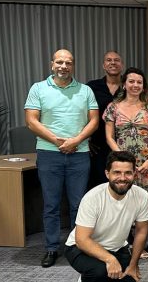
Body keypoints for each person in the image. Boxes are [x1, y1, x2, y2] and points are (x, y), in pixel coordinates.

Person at [25, 48, 98, 268]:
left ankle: (78, 246)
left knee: (79, 204)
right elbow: (31, 121)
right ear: (52, 64)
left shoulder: (85, 90)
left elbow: (94, 120)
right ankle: (51, 248)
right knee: (51, 204)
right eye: (59, 62)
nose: (63, 66)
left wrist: (75, 141)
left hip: (79, 154)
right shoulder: (38, 88)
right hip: (49, 154)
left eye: (68, 63)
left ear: (73, 66)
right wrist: (58, 141)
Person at [64, 151, 148, 282]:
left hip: (117, 249)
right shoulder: (93, 198)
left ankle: (93, 278)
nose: (122, 178)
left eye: (128, 173)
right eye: (117, 172)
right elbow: (82, 240)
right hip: (80, 248)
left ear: (134, 174)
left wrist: (133, 265)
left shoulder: (141, 196)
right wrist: (110, 259)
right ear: (107, 173)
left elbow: (141, 231)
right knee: (98, 270)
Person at [103, 67, 148, 217]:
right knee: (125, 195)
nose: (135, 85)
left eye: (139, 82)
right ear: (124, 84)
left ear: (143, 86)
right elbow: (109, 137)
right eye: (131, 81)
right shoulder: (112, 107)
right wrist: (123, 159)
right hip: (123, 163)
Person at [87, 51, 123, 187]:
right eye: (109, 60)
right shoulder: (92, 87)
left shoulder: (130, 86)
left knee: (121, 185)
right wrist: (85, 140)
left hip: (124, 145)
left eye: (116, 60)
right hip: (98, 147)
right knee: (99, 187)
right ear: (103, 65)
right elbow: (81, 114)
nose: (113, 62)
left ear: (121, 64)